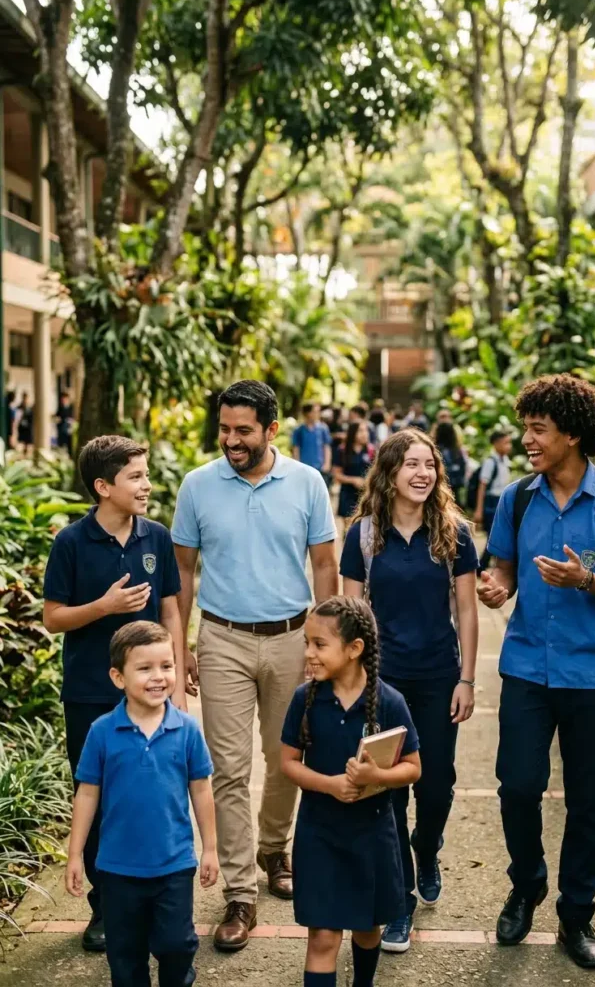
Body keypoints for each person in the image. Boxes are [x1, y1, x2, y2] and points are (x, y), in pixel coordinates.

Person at [478, 374, 595, 970]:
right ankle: (526, 884)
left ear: (572, 435)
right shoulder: (517, 499)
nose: (526, 438)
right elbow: (501, 567)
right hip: (527, 666)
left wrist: (586, 580)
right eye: (525, 426)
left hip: (592, 675)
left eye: (538, 429)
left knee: (584, 802)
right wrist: (496, 587)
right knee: (518, 787)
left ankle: (576, 916)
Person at [171, 380, 338, 952]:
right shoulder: (197, 486)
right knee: (230, 767)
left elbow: (323, 565)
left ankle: (274, 846)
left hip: (293, 638)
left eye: (243, 430)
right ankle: (241, 893)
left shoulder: (307, 482)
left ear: (271, 429)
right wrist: (182, 648)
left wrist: (325, 646)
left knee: (286, 756)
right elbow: (184, 574)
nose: (231, 440)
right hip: (222, 639)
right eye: (224, 429)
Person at [43, 436, 184, 952]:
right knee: (100, 799)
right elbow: (53, 618)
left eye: (146, 475)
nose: (147, 485)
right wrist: (103, 606)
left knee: (153, 795)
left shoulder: (157, 538)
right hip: (88, 692)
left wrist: (176, 681)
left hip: (150, 694)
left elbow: (169, 608)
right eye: (136, 477)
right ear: (104, 487)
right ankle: (106, 910)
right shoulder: (71, 543)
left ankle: (156, 902)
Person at [340, 429, 479, 953]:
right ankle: (398, 901)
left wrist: (467, 679)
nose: (423, 474)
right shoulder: (364, 536)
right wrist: (356, 680)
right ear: (390, 472)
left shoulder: (454, 533)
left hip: (440, 677)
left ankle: (428, 848)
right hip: (385, 682)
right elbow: (351, 612)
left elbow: (466, 610)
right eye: (412, 465)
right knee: (390, 791)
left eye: (430, 465)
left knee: (437, 783)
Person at [65, 621, 218, 987]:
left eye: (166, 666)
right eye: (144, 668)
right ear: (118, 677)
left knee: (177, 944)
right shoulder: (102, 731)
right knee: (126, 958)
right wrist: (74, 855)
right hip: (117, 871)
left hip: (174, 865)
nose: (158, 677)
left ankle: (180, 975)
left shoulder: (187, 729)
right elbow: (87, 793)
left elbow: (201, 789)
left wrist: (210, 848)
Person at [281, 596, 421, 987]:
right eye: (307, 643)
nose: (309, 653)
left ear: (355, 649)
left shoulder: (389, 703)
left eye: (319, 645)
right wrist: (331, 785)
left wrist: (376, 774)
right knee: (323, 936)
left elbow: (413, 768)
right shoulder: (304, 700)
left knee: (367, 928)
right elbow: (288, 763)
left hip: (372, 834)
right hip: (319, 833)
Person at [474, 430, 513, 570]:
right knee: (493, 535)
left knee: (496, 535)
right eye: (505, 443)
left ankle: (482, 565)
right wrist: (479, 509)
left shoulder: (505, 462)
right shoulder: (491, 462)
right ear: (496, 444)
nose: (508, 446)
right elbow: (482, 486)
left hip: (500, 501)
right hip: (491, 502)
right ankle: (480, 567)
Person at [332, 421, 373, 530]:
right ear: (352, 433)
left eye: (366, 430)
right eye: (361, 430)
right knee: (349, 528)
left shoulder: (371, 451)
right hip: (347, 494)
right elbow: (336, 475)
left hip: (366, 494)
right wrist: (353, 480)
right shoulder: (342, 450)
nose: (365, 433)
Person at [291, 402, 333, 482]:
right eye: (315, 411)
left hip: (320, 468)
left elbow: (326, 447)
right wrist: (297, 465)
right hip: (304, 468)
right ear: (308, 413)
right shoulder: (299, 430)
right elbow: (296, 449)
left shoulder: (323, 428)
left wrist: (327, 464)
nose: (318, 414)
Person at [434, 420, 467, 506]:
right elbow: (463, 468)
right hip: (455, 489)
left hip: (438, 488)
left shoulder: (436, 450)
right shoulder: (457, 451)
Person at [56, 390, 75, 455]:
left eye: (64, 398)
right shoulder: (60, 408)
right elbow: (57, 417)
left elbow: (73, 418)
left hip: (68, 429)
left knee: (69, 445)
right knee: (61, 445)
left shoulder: (71, 408)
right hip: (61, 429)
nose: (63, 400)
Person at [17, 391, 33, 455]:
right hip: (22, 428)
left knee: (28, 442)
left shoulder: (30, 408)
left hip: (28, 428)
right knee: (22, 442)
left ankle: (26, 453)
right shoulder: (19, 407)